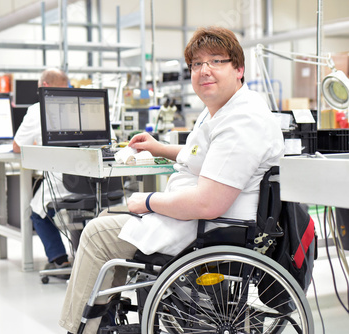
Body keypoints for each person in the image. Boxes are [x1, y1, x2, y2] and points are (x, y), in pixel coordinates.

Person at [59, 26, 285, 334]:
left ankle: (78, 328)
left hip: (209, 227)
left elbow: (207, 203)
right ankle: (102, 313)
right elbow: (202, 154)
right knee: (107, 216)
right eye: (196, 64)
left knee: (97, 233)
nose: (205, 70)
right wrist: (158, 147)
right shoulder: (224, 110)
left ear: (239, 69)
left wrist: (149, 201)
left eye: (216, 61)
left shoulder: (242, 122)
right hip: (201, 218)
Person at [13, 68, 72, 271]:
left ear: (44, 86)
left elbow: (17, 147)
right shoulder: (79, 106)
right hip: (93, 182)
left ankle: (60, 259)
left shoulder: (37, 109)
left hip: (62, 181)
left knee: (37, 212)